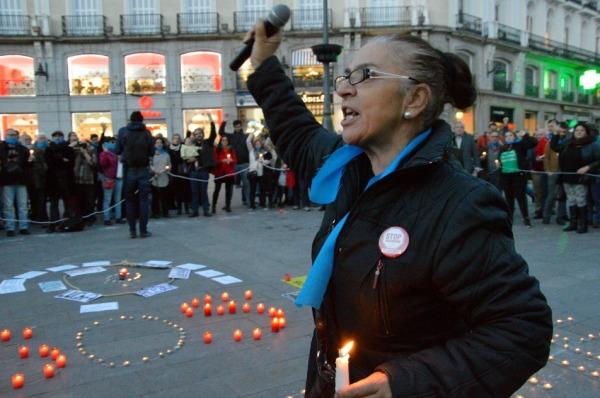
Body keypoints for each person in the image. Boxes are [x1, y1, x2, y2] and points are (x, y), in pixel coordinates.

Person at [244, 22, 552, 398]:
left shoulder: (460, 204)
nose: (343, 87)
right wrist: (263, 62)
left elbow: (522, 330)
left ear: (414, 100)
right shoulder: (346, 167)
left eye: (365, 75)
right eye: (345, 76)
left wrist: (405, 382)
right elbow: (293, 127)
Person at [550, 122, 600, 234]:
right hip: (567, 176)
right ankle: (573, 222)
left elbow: (598, 160)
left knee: (580, 200)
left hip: (582, 177)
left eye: (582, 130)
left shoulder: (592, 145)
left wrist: (587, 167)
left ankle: (582, 223)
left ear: (586, 132)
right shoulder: (568, 143)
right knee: (571, 199)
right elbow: (555, 147)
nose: (579, 132)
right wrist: (556, 134)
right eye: (577, 130)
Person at [115, 111, 155, 238]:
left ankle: (132, 230)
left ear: (130, 120)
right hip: (143, 168)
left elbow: (117, 150)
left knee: (130, 201)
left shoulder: (123, 132)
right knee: (143, 200)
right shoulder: (146, 132)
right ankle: (143, 230)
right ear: (142, 120)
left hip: (129, 169)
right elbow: (152, 152)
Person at [499, 130, 538, 227]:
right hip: (506, 176)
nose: (508, 137)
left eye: (511, 135)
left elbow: (533, 142)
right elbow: (500, 161)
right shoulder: (503, 148)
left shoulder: (520, 145)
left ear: (515, 136)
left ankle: (526, 218)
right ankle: (509, 217)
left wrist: (525, 135)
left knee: (521, 198)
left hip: (518, 176)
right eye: (506, 136)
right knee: (509, 198)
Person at [0, 128, 33, 236]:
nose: (11, 137)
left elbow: (28, 165)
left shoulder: (22, 149)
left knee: (22, 205)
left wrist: (31, 161)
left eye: (13, 135)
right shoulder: (1, 148)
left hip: (20, 180)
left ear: (17, 136)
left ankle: (23, 226)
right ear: (5, 135)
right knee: (8, 206)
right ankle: (10, 227)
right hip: (6, 180)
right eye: (9, 135)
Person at [45, 130, 75, 233]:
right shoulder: (48, 149)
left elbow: (71, 163)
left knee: (68, 203)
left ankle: (70, 223)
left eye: (59, 136)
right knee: (54, 204)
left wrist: (59, 160)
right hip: (53, 180)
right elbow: (50, 163)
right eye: (55, 136)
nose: (57, 138)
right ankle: (53, 224)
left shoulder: (68, 149)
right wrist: (62, 159)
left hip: (66, 179)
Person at [187, 114, 216, 218]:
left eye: (200, 133)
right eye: (197, 133)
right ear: (194, 135)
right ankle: (194, 211)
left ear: (203, 134)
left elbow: (213, 133)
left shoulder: (207, 143)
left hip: (203, 171)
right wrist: (190, 160)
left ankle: (206, 210)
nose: (198, 135)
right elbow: (186, 157)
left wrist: (211, 120)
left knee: (203, 191)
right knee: (194, 192)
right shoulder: (191, 145)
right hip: (193, 172)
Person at [219, 115, 250, 206]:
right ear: (234, 127)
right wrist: (224, 122)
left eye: (239, 126)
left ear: (241, 127)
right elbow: (221, 132)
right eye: (236, 127)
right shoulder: (231, 137)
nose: (237, 128)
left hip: (244, 163)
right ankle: (227, 204)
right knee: (230, 184)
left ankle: (248, 201)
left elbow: (248, 149)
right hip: (233, 164)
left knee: (246, 183)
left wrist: (248, 161)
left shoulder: (245, 137)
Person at [542, 120, 567, 225]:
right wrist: (547, 170)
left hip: (564, 171)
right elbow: (546, 157)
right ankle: (546, 216)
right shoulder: (551, 142)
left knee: (562, 195)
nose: (562, 134)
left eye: (564, 132)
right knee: (551, 195)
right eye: (560, 132)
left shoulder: (568, 142)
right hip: (553, 170)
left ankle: (560, 216)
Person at [98, 137, 124, 225]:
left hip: (119, 177)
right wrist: (105, 152)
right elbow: (102, 163)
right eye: (111, 142)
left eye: (115, 142)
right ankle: (106, 218)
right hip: (109, 178)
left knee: (118, 198)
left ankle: (118, 217)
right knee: (107, 199)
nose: (113, 144)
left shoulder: (119, 153)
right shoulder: (103, 153)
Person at [73, 138, 98, 226]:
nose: (84, 146)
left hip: (88, 180)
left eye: (86, 144)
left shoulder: (92, 151)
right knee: (80, 200)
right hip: (78, 180)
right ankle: (82, 217)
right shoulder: (77, 151)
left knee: (89, 200)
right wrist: (76, 144)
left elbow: (94, 164)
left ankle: (91, 217)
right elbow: (68, 149)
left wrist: (85, 153)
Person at [212, 135, 237, 213]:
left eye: (226, 140)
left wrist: (231, 160)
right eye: (223, 140)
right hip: (220, 171)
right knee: (217, 189)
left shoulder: (231, 149)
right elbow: (215, 160)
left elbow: (235, 160)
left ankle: (228, 205)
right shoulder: (217, 149)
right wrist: (223, 161)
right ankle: (213, 206)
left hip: (229, 171)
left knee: (228, 190)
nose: (224, 141)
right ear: (221, 141)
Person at [150, 137, 172, 218]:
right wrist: (153, 170)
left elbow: (169, 164)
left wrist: (168, 168)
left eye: (160, 143)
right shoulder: (152, 154)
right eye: (157, 142)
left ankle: (165, 212)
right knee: (155, 197)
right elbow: (150, 165)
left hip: (164, 177)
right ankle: (155, 212)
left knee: (164, 196)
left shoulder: (166, 155)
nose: (159, 144)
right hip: (155, 178)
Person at [30, 133, 49, 224]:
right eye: (41, 138)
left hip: (49, 178)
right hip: (39, 178)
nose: (43, 140)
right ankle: (42, 217)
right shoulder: (34, 151)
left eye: (44, 138)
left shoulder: (48, 149)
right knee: (41, 200)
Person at [531, 128, 548, 219]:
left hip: (545, 169)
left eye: (541, 134)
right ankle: (538, 208)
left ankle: (548, 208)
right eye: (537, 134)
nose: (538, 136)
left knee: (545, 191)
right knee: (536, 191)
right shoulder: (533, 144)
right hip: (535, 170)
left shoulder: (547, 143)